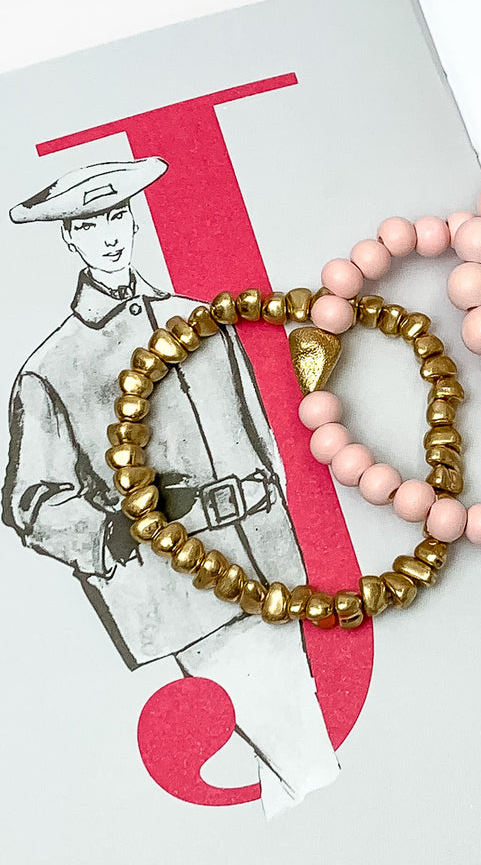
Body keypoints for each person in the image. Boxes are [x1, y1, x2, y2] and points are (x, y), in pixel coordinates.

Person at [3, 157, 338, 814]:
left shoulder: (199, 320)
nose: (108, 234)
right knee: (304, 753)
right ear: (68, 238)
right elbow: (29, 500)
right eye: (88, 222)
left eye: (117, 215)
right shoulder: (49, 368)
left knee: (289, 764)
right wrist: (115, 530)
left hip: (269, 558)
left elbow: (259, 434)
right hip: (179, 584)